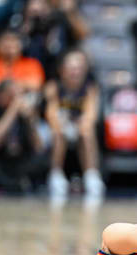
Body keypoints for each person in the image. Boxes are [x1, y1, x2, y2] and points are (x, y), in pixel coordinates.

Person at [44, 49, 104, 198]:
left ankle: (91, 175)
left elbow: (91, 114)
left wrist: (82, 125)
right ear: (62, 70)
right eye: (71, 68)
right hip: (57, 126)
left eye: (79, 69)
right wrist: (60, 126)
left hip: (79, 126)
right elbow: (51, 114)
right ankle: (56, 175)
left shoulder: (90, 88)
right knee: (58, 133)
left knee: (87, 132)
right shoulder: (53, 87)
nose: (75, 73)